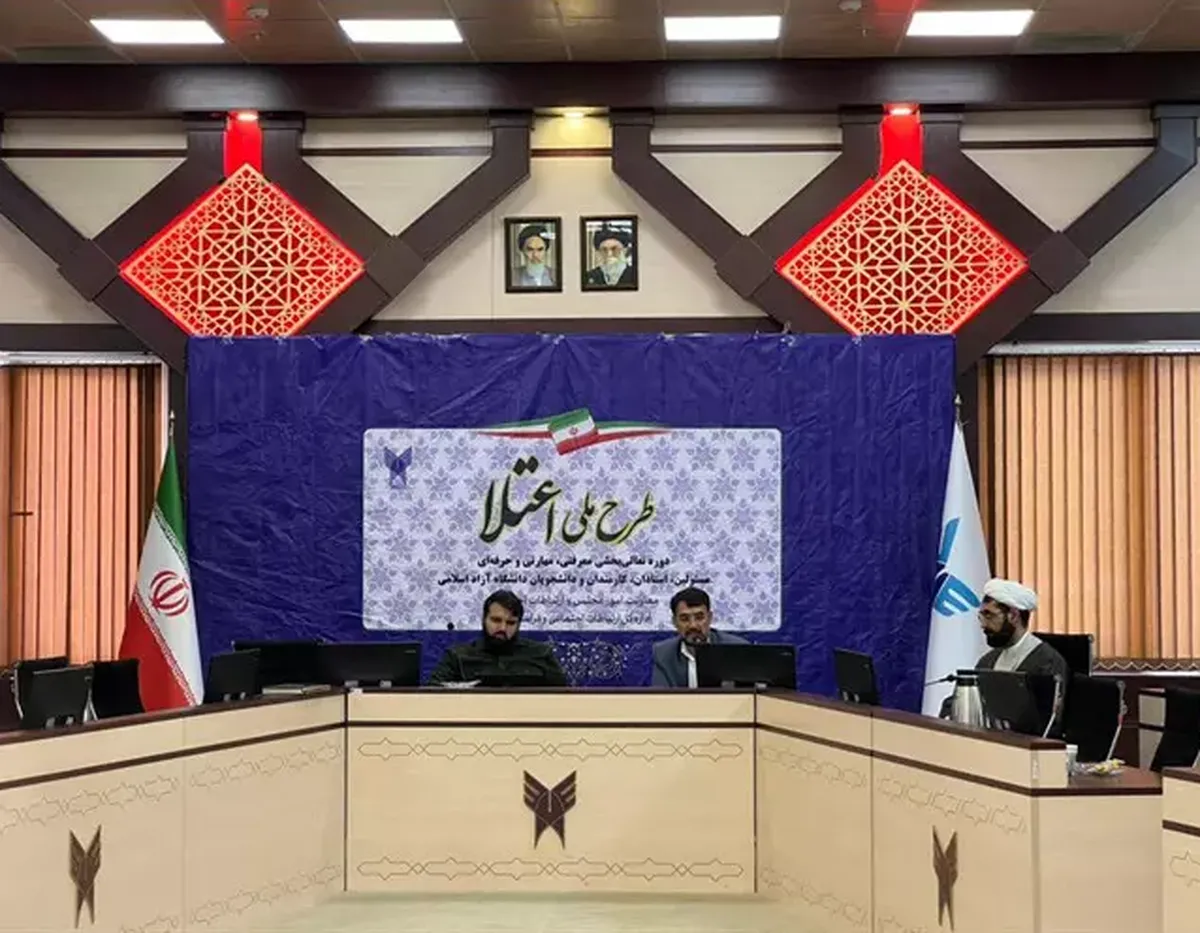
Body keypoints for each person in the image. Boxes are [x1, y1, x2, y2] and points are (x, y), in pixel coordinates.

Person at [428, 590, 567, 686]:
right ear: (484, 619)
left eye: (511, 623)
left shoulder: (542, 655)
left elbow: (565, 700)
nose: (502, 628)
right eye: (496, 620)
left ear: (519, 625)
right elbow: (432, 695)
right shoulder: (457, 657)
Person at [651, 587, 747, 688]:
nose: (693, 625)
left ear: (709, 618)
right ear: (674, 622)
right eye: (684, 619)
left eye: (699, 618)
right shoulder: (663, 654)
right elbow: (660, 695)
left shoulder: (736, 649)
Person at [975, 578, 1068, 680]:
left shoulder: (1047, 662)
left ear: (1013, 616)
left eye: (989, 616)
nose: (983, 625)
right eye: (981, 616)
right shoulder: (986, 662)